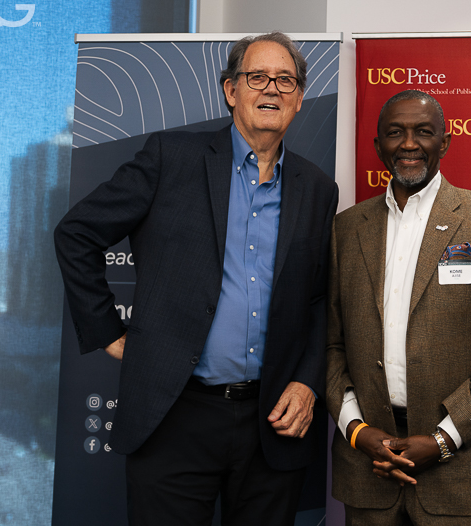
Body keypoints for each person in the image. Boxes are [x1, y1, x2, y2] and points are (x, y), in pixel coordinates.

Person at [54, 31, 338, 525]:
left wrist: (307, 383)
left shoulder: (317, 187)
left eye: (286, 80)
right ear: (231, 90)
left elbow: (318, 300)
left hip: (272, 423)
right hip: (174, 415)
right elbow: (76, 233)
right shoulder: (171, 158)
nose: (271, 89)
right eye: (257, 77)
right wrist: (106, 330)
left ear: (298, 98)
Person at [326, 89, 471, 525]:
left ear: (445, 142)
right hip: (369, 473)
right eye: (394, 132)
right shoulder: (347, 229)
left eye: (423, 132)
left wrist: (442, 439)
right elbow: (331, 345)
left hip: (461, 475)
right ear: (377, 144)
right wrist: (357, 431)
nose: (408, 143)